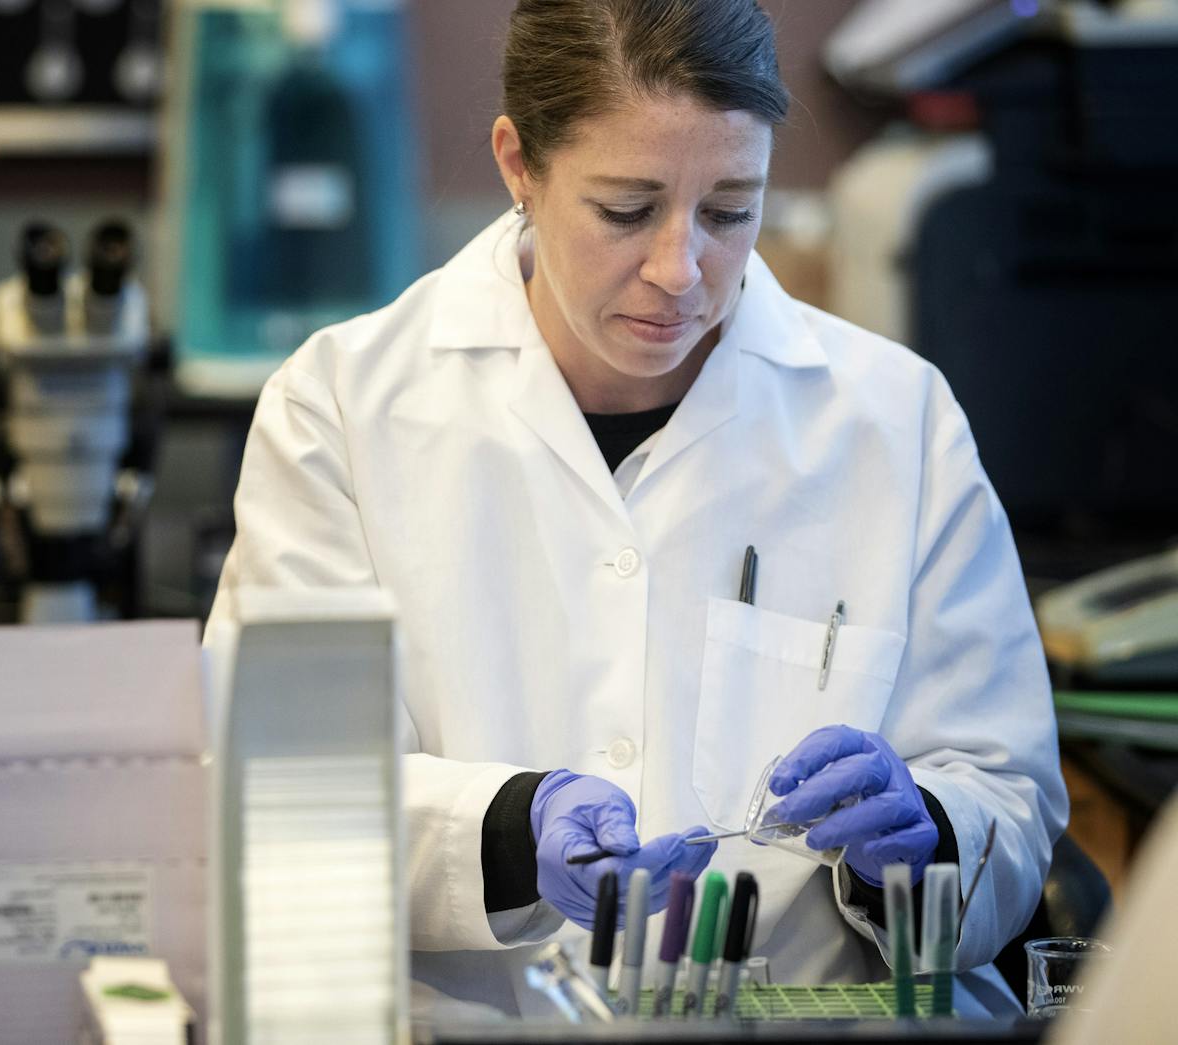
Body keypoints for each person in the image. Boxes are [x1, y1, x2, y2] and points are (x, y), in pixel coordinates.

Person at [209, 0, 1067, 1019]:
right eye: (624, 209)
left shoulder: (890, 420)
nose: (679, 271)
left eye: (728, 211)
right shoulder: (343, 411)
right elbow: (283, 798)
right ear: (517, 166)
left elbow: (1007, 794)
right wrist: (505, 829)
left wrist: (922, 832)